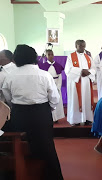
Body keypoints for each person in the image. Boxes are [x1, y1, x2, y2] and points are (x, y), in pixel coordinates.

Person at [1, 44, 63, 180]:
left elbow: (8, 97)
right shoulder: (44, 75)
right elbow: (54, 98)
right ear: (34, 58)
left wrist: (18, 106)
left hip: (19, 115)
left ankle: (19, 172)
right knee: (46, 146)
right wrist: (46, 109)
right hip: (41, 115)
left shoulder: (10, 76)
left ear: (16, 59)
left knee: (21, 144)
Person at [65, 40, 96, 126]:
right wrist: (81, 71)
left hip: (86, 81)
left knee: (86, 99)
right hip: (76, 82)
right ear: (76, 46)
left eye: (84, 46)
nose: (83, 48)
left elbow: (94, 68)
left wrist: (88, 72)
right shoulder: (70, 57)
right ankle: (75, 120)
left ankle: (87, 118)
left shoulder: (88, 57)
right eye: (80, 46)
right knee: (75, 100)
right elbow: (68, 70)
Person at [38, 49, 65, 123]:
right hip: (48, 85)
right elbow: (43, 77)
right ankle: (50, 117)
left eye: (52, 54)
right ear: (46, 56)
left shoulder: (57, 65)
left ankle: (56, 118)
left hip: (56, 85)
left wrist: (58, 86)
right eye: (49, 54)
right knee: (49, 101)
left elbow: (60, 77)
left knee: (57, 101)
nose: (50, 56)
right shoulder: (44, 66)